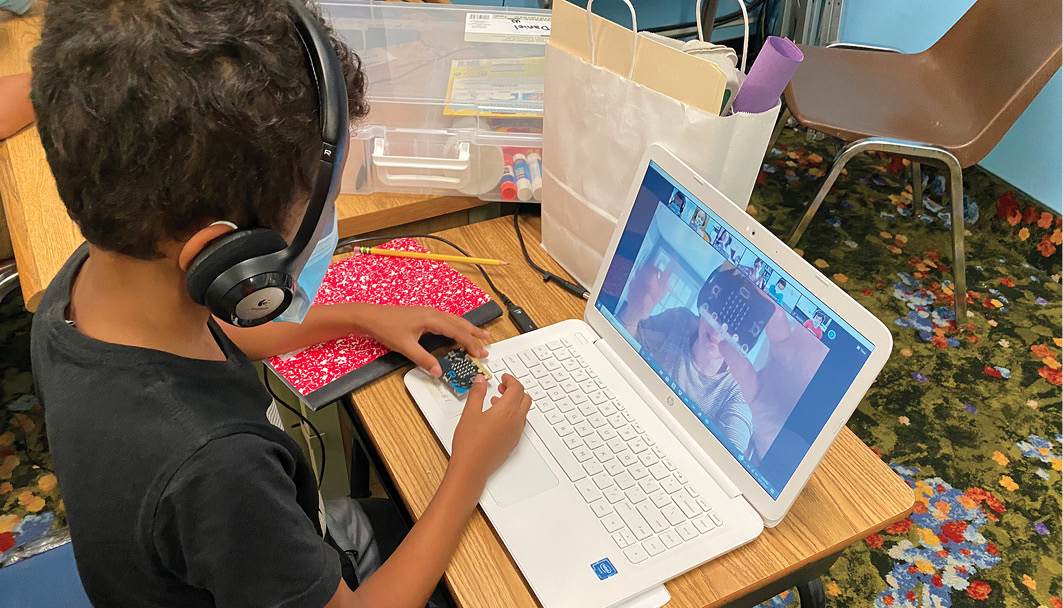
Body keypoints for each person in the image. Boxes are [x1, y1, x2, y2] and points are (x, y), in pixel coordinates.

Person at [29, 2, 530, 607]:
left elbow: (217, 339)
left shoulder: (93, 279)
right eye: (317, 204)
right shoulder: (218, 469)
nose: (327, 220)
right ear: (230, 257)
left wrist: (360, 314)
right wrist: (470, 469)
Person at [617, 264, 755, 454]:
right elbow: (620, 348)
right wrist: (634, 311)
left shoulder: (738, 392)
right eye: (716, 312)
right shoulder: (678, 321)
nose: (717, 332)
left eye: (733, 325)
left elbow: (733, 456)